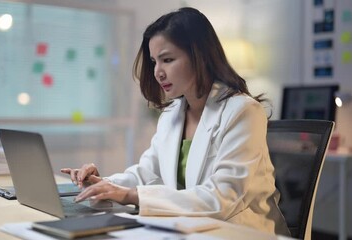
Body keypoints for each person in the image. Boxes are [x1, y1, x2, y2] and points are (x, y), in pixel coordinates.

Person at [61, 7, 289, 235]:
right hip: (189, 228)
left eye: (167, 60)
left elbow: (222, 198)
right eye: (154, 62)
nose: (158, 72)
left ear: (200, 56)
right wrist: (103, 184)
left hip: (241, 232)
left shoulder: (243, 111)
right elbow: (146, 173)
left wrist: (131, 195)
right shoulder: (172, 114)